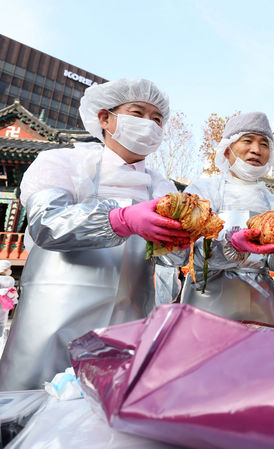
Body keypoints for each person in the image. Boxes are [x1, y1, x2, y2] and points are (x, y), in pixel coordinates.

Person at [0, 79, 191, 391]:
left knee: (106, 417)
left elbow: (173, 257)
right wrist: (119, 219)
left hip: (128, 321)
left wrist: (185, 240)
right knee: (30, 407)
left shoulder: (161, 187)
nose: (148, 124)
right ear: (104, 118)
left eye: (157, 119)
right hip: (54, 316)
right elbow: (45, 223)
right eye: (137, 112)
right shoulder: (64, 162)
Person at [177, 112, 274, 325]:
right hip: (206, 304)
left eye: (264, 144)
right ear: (227, 150)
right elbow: (183, 252)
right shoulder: (203, 192)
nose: (256, 149)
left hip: (261, 307)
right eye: (248, 140)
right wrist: (229, 245)